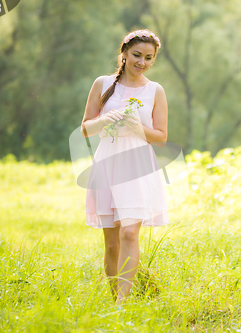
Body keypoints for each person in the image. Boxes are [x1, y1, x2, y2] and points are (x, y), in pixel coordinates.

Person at [80, 29, 169, 307]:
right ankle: (112, 298)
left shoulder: (155, 90)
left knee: (130, 232)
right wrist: (106, 119)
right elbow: (84, 129)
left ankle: (122, 303)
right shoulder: (103, 83)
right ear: (124, 53)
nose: (142, 62)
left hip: (138, 164)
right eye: (137, 55)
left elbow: (162, 137)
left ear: (153, 60)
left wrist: (137, 127)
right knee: (111, 242)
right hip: (107, 163)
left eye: (148, 58)